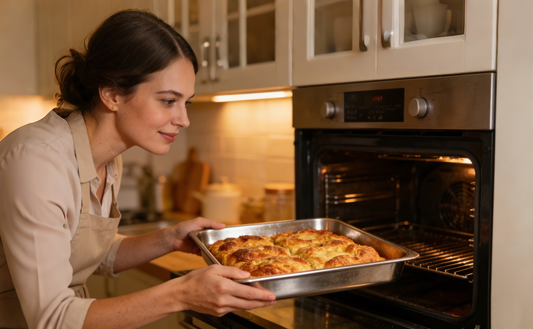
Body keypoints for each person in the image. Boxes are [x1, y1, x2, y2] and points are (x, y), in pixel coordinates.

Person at [0, 9, 276, 329]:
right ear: (113, 94)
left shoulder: (106, 156)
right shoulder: (37, 162)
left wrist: (169, 239)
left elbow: (88, 251)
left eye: (185, 102)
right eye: (168, 101)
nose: (183, 119)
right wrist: (183, 293)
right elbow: (53, 319)